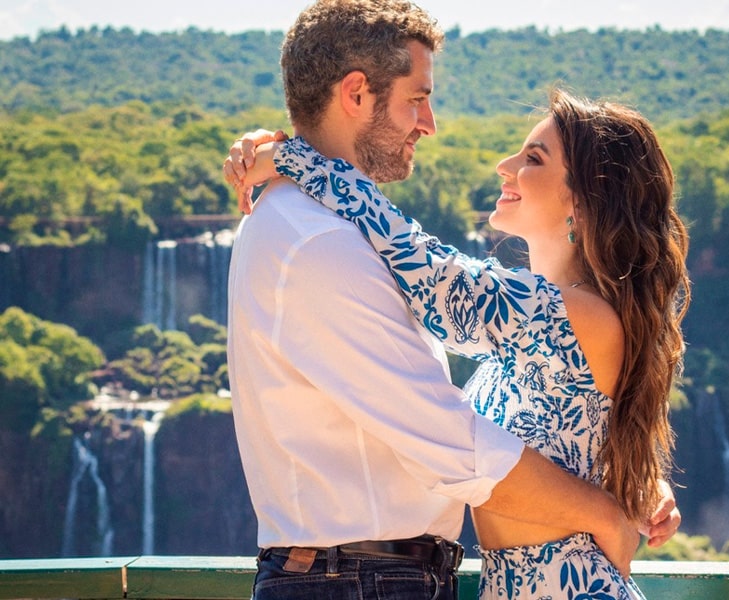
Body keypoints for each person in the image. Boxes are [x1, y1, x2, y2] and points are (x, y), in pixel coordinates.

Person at [223, 1, 679, 598]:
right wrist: (622, 487)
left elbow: (433, 276)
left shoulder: (579, 317)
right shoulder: (517, 340)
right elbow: (493, 430)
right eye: (418, 98)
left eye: (533, 159)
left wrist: (295, 156)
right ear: (356, 94)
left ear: (582, 203)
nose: (504, 164)